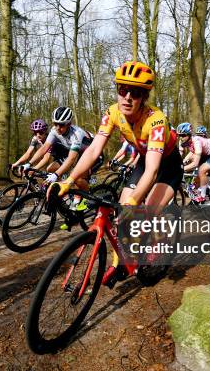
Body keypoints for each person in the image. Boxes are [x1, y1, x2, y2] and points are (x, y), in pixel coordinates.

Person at [49, 61, 182, 283]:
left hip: (167, 167)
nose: (128, 97)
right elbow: (93, 150)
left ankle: (160, 244)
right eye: (123, 90)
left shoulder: (156, 120)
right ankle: (121, 259)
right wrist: (69, 180)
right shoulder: (112, 113)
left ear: (143, 98)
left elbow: (153, 168)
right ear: (118, 91)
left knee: (145, 210)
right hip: (143, 162)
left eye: (136, 93)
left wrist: (135, 202)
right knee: (123, 217)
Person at [22, 106, 102, 197]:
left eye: (61, 125)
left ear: (69, 124)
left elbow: (71, 158)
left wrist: (56, 175)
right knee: (52, 169)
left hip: (94, 155)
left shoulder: (76, 134)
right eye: (55, 124)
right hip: (80, 155)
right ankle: (69, 194)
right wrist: (29, 163)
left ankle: (87, 199)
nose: (58, 128)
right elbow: (44, 148)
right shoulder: (54, 131)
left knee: (76, 178)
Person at [177, 123, 210, 203]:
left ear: (189, 134)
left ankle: (203, 196)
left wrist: (181, 168)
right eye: (179, 135)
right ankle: (202, 191)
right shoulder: (182, 142)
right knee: (196, 181)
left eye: (183, 135)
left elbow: (195, 163)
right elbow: (181, 155)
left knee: (201, 170)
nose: (181, 138)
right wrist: (181, 163)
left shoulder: (196, 141)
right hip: (205, 156)